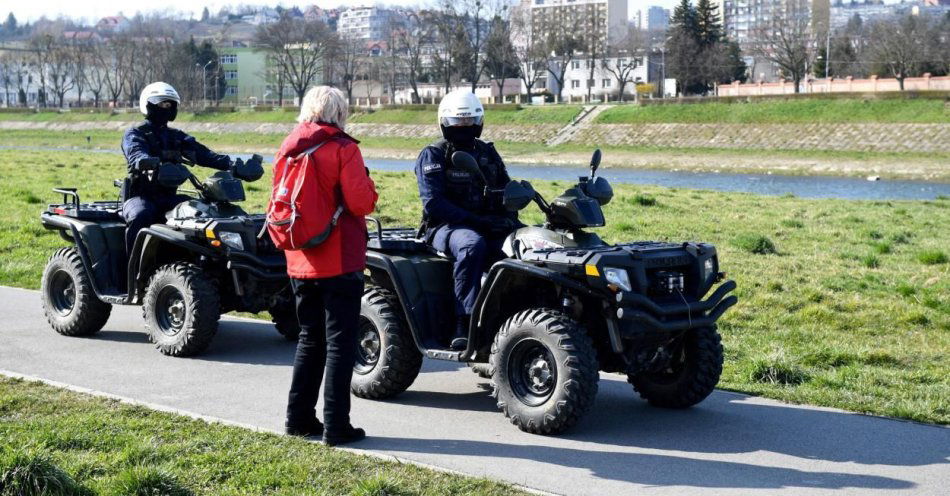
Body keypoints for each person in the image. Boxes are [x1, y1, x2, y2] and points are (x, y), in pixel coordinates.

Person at [278, 86, 378, 446]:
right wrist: (372, 188)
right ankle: (337, 426)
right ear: (339, 112)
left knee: (309, 339)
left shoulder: (289, 147)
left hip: (298, 257)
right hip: (338, 258)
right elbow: (360, 202)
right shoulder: (344, 149)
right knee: (340, 343)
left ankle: (298, 419)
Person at [414, 90, 519, 351]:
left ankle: (518, 314)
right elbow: (433, 203)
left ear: (479, 122)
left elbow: (505, 188)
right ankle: (463, 321)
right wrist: (475, 220)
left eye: (469, 122)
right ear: (445, 123)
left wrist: (510, 210)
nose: (464, 127)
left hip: (486, 221)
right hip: (445, 227)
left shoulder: (487, 153)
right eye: (458, 122)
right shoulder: (434, 154)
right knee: (471, 246)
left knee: (530, 243)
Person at [121, 81, 256, 255]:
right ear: (148, 105)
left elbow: (204, 155)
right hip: (141, 196)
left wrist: (233, 166)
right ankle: (131, 270)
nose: (166, 108)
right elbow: (135, 153)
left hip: (169, 197)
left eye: (170, 104)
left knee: (203, 212)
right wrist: (146, 162)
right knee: (141, 215)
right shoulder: (135, 133)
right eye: (162, 104)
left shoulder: (176, 136)